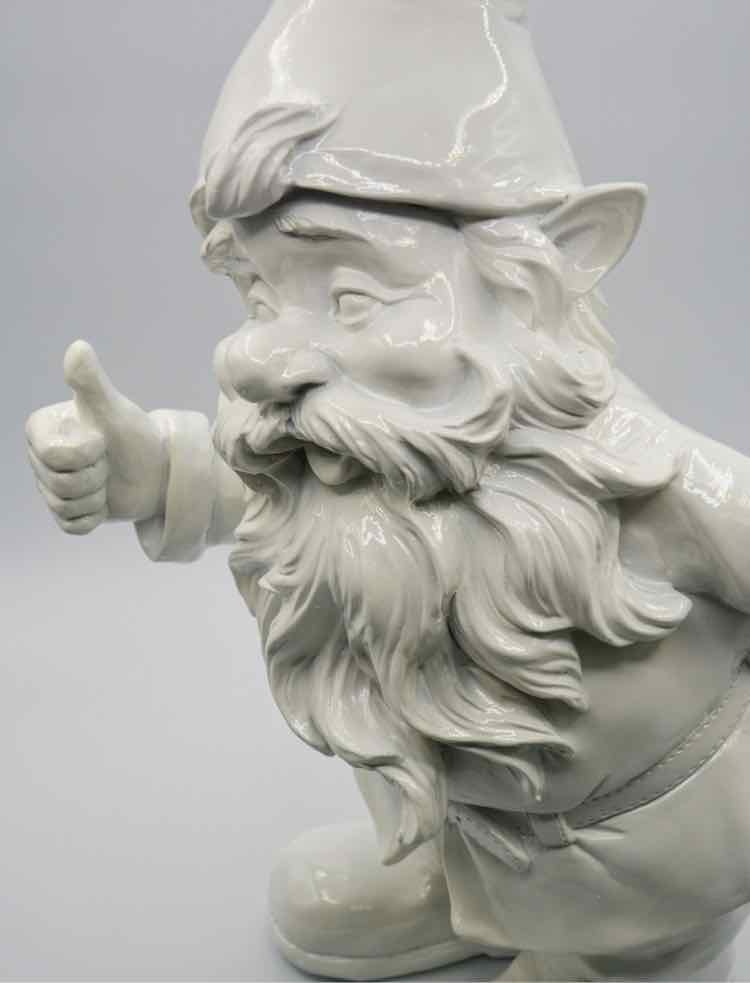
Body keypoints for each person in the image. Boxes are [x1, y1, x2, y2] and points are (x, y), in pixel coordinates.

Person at [24, 2, 750, 979]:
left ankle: (632, 951)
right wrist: (155, 470)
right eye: (258, 295)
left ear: (543, 272)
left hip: (643, 859)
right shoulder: (356, 448)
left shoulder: (630, 471)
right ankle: (452, 886)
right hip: (469, 822)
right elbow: (267, 496)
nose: (256, 358)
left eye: (352, 296)